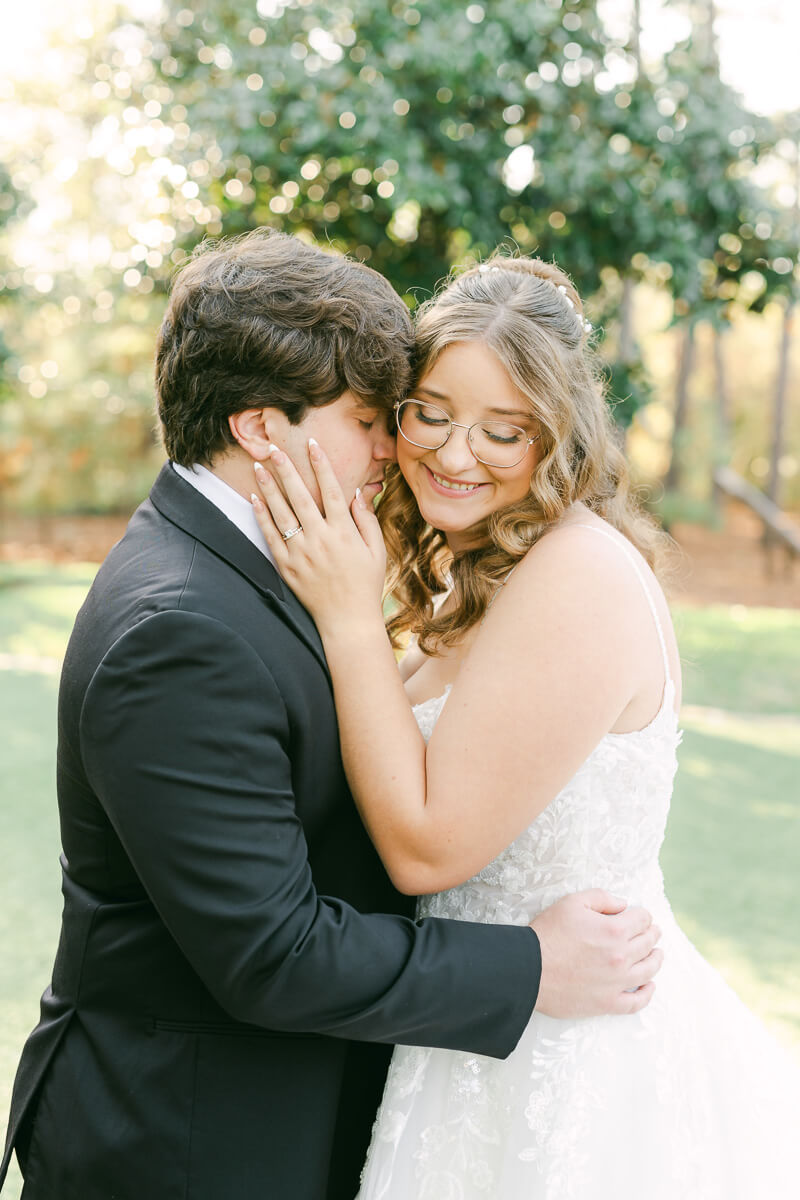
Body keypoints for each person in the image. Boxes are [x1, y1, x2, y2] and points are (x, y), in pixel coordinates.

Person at [0, 233, 663, 1200]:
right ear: (263, 428)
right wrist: (528, 966)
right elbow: (275, 952)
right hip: (185, 1146)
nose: (400, 448)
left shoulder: (263, 571)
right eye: (374, 419)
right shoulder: (179, 628)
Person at [251, 253, 800, 1198]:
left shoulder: (576, 574)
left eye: (503, 430)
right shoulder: (475, 574)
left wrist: (347, 617)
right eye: (431, 413)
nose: (456, 454)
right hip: (470, 1038)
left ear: (557, 438)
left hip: (569, 1064)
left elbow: (427, 851)